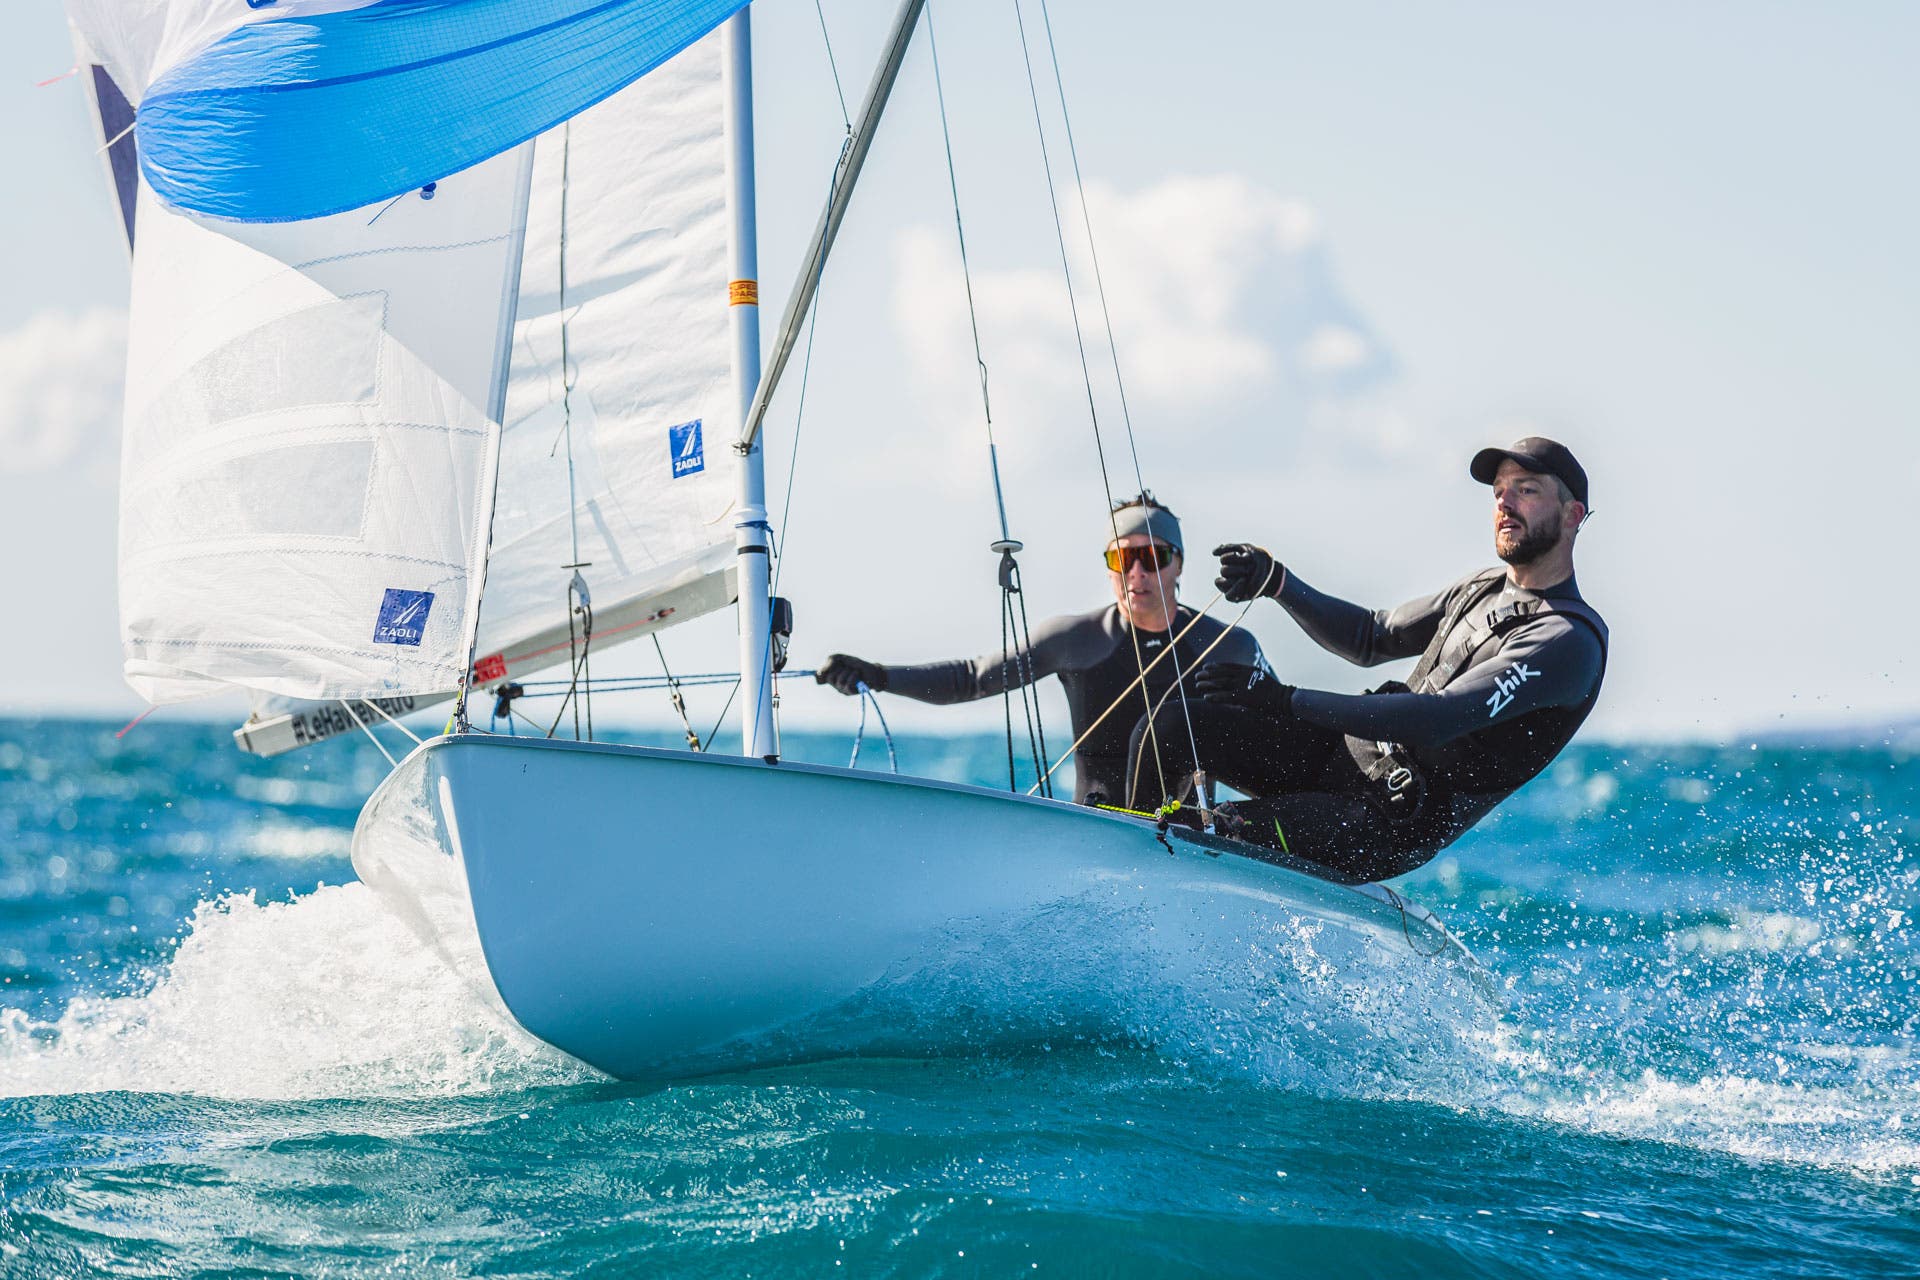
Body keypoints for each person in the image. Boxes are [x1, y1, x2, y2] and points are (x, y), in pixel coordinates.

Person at [1132, 437, 1608, 883]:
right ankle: (1112, 863)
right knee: (1168, 727)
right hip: (1343, 755)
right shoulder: (1482, 588)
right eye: (1499, 491)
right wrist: (1277, 582)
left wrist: (1283, 699)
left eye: (1525, 491)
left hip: (1382, 822)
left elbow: (1436, 719)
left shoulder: (1566, 641)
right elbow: (1371, 636)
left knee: (1198, 830)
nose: (1504, 503)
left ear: (1572, 514)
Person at [815, 494, 1264, 806]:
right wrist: (878, 675)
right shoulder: (1076, 641)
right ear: (1108, 568)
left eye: (1154, 557)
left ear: (1179, 563)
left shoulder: (1228, 645)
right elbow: (971, 679)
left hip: (1190, 842)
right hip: (1095, 831)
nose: (1137, 574)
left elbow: (1282, 736)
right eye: (1123, 559)